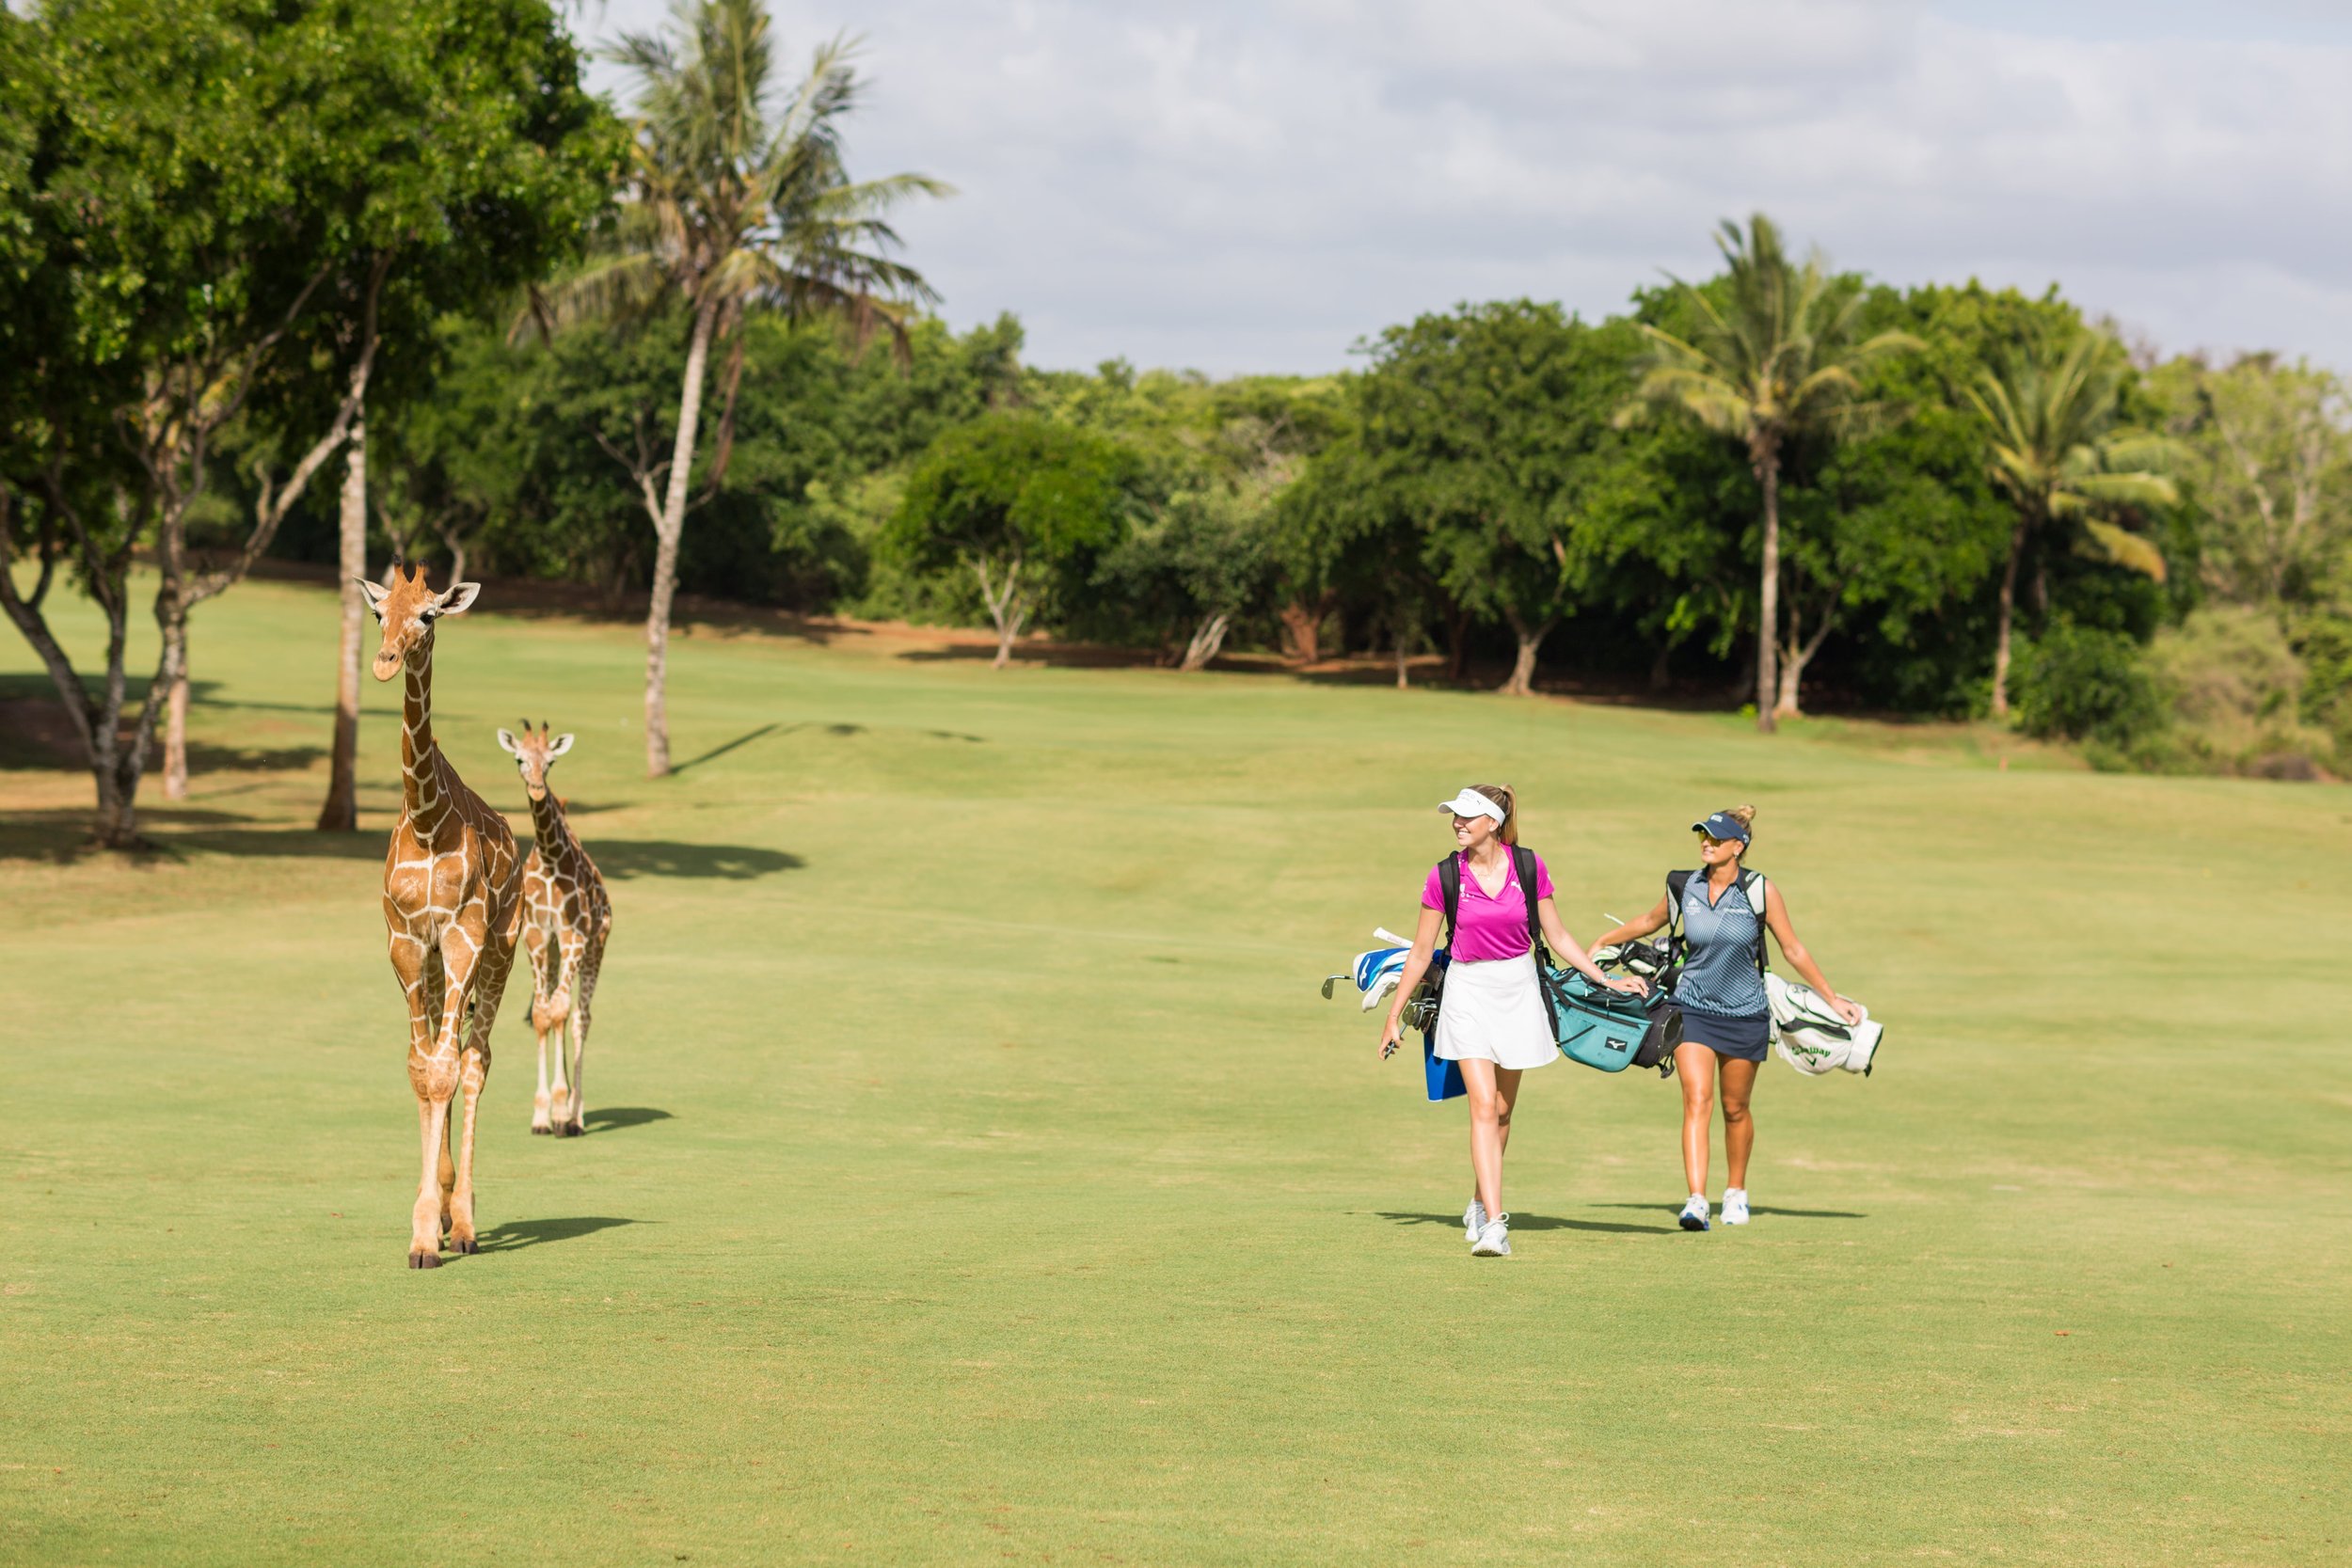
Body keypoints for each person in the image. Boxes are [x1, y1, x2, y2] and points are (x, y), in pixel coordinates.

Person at [1378, 785, 1645, 1258]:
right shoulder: (1443, 876)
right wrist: (1394, 1015)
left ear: (1493, 822)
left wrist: (1605, 980)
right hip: (1467, 992)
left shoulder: (1528, 866)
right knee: (1482, 1106)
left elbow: (1557, 934)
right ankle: (1495, 1224)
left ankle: (1480, 1198)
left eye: (1467, 816)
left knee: (1502, 1111)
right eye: (1454, 817)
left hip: (1519, 988)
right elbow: (1422, 951)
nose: (1458, 823)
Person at [1589, 806, 1861, 1232]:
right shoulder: (1683, 884)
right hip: (1691, 1008)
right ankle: (1696, 1200)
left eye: (1716, 839)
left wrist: (1831, 999)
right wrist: (1602, 942)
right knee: (1697, 1100)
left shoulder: (1760, 890)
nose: (1706, 844)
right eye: (1703, 836)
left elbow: (1792, 948)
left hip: (1745, 1013)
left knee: (1736, 1109)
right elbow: (1649, 920)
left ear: (1739, 847)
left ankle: (1735, 1191)